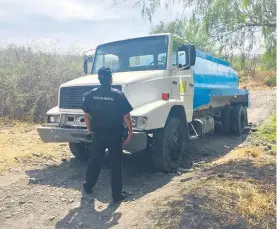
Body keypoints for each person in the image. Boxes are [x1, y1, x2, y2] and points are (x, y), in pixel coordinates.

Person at [81, 67, 133, 202]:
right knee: (115, 165)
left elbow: (86, 115)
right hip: (115, 135)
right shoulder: (117, 94)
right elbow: (126, 115)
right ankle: (117, 195)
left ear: (99, 78)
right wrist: (130, 131)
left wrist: (89, 128)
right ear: (110, 79)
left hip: (98, 134)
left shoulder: (91, 94)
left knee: (94, 161)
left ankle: (88, 186)